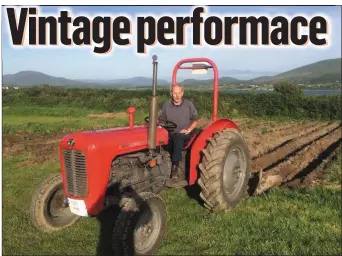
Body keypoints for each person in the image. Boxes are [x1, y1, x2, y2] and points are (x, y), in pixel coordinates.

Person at [159, 83, 199, 184]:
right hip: (170, 133)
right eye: (174, 93)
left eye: (179, 93)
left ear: (182, 93)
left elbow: (195, 120)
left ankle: (175, 168)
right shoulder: (166, 105)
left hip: (185, 134)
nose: (177, 96)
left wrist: (188, 130)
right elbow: (162, 120)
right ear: (171, 93)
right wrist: (159, 125)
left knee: (179, 137)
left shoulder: (188, 105)